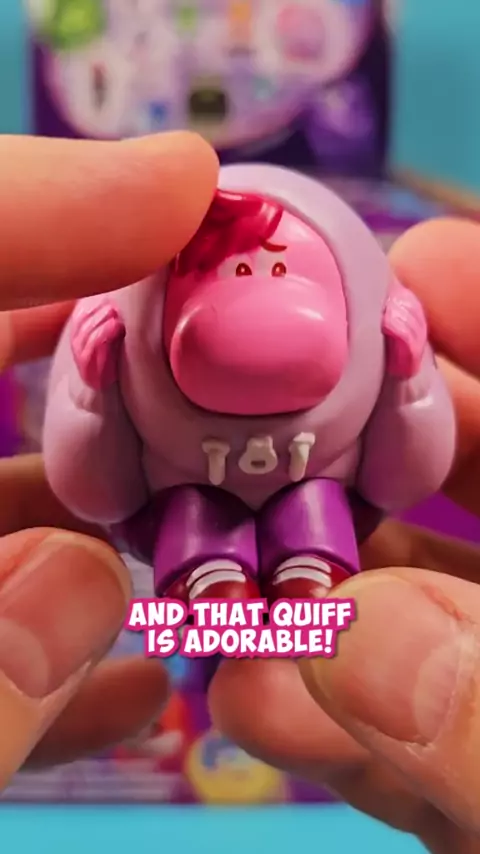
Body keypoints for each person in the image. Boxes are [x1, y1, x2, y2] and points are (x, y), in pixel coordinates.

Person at [0, 131, 478, 852]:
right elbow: (94, 490)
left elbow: (405, 476)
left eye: (277, 267)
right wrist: (93, 391)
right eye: (241, 270)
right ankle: (212, 588)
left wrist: (409, 378)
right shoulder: (122, 335)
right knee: (196, 521)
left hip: (322, 498)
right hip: (183, 505)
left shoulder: (371, 356)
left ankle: (309, 581)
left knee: (314, 513)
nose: (260, 302)